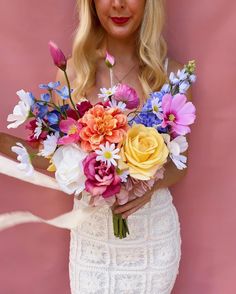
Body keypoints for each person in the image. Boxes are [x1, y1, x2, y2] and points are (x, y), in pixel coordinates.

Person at [0, 0, 193, 293]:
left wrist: (148, 185)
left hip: (153, 241)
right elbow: (53, 156)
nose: (117, 4)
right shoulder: (74, 74)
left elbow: (180, 166)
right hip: (94, 242)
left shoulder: (172, 77)